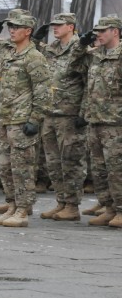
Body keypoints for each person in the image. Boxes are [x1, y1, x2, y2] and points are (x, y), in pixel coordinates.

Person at [0, 9, 51, 227]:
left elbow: (43, 91)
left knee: (22, 168)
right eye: (10, 27)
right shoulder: (8, 54)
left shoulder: (34, 57)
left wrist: (35, 119)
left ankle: (22, 210)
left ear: (28, 31)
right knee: (6, 167)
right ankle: (11, 204)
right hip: (5, 118)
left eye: (16, 27)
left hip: (22, 121)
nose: (11, 31)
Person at [68, 16, 122, 227]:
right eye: (96, 31)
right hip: (95, 120)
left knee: (117, 169)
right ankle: (108, 207)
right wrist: (81, 45)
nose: (98, 34)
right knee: (99, 169)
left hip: (116, 123)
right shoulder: (95, 55)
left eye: (103, 30)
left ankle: (121, 209)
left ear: (115, 31)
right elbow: (72, 67)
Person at [32, 13, 87, 221]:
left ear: (71, 27)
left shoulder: (79, 48)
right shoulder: (51, 48)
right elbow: (32, 55)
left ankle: (72, 205)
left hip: (68, 113)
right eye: (53, 25)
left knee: (70, 160)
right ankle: (61, 201)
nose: (54, 28)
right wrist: (36, 39)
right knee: (53, 162)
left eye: (59, 25)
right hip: (50, 112)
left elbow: (86, 80)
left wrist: (83, 111)